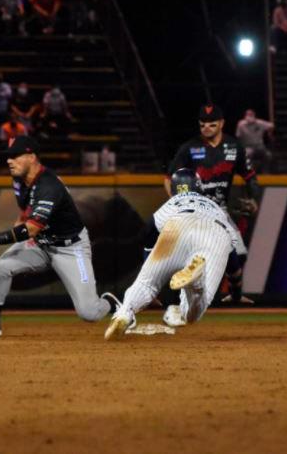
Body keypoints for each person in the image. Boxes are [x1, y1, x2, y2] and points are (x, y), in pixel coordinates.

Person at [0, 135, 112, 337]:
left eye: (15, 156)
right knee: (2, 266)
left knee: (89, 313)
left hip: (70, 248)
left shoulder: (49, 186)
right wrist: (19, 229)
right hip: (40, 243)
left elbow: (31, 229)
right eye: (8, 156)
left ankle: (113, 303)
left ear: (32, 157)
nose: (9, 160)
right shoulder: (19, 180)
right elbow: (27, 214)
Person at [105, 168, 241, 339]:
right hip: (215, 234)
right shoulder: (217, 208)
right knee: (191, 314)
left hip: (176, 226)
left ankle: (124, 313)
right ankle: (196, 284)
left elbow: (148, 235)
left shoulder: (173, 202)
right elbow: (234, 265)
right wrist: (236, 292)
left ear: (174, 188)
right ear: (198, 186)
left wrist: (151, 275)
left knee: (145, 284)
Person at [166, 103, 260, 305]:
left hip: (219, 210)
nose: (206, 128)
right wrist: (177, 201)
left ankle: (234, 296)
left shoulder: (234, 147)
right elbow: (168, 179)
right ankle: (180, 297)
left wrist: (254, 199)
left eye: (211, 124)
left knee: (238, 254)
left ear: (222, 123)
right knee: (193, 254)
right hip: (195, 210)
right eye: (202, 125)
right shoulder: (189, 148)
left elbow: (250, 176)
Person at [235, 109, 275, 173]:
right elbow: (238, 136)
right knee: (247, 154)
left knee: (268, 155)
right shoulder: (241, 124)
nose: (250, 116)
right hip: (248, 147)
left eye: (251, 115)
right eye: (248, 115)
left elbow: (271, 125)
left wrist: (269, 132)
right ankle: (250, 173)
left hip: (260, 147)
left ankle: (265, 172)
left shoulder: (260, 123)